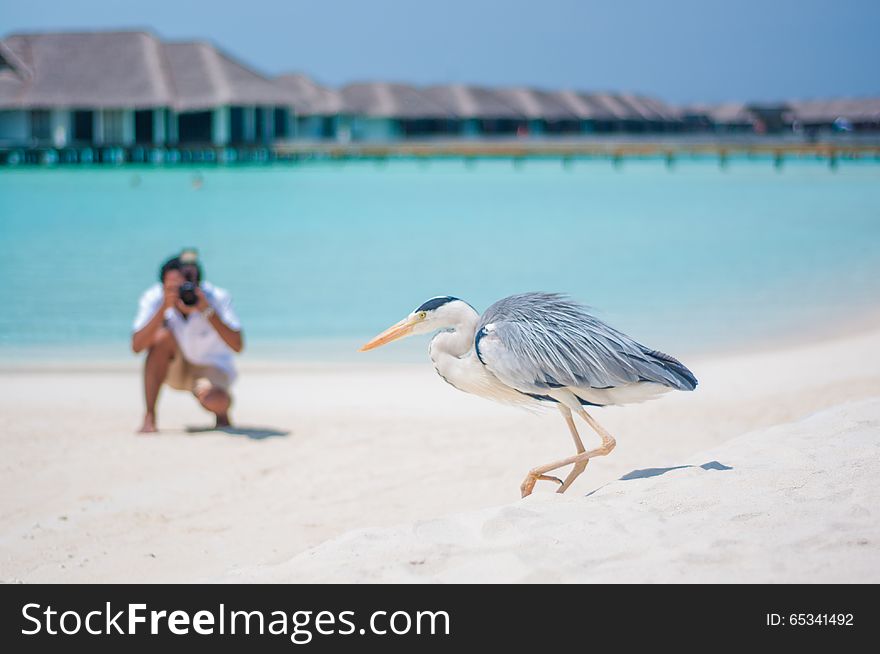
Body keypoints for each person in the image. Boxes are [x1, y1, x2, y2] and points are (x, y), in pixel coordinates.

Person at [131, 249, 244, 433]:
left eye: (185, 286)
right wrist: (163, 309)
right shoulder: (156, 298)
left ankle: (221, 414)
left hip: (210, 367)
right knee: (161, 337)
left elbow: (238, 345)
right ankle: (149, 416)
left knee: (217, 401)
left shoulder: (216, 297)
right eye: (174, 286)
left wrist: (206, 310)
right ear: (164, 285)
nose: (181, 291)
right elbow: (136, 347)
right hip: (175, 366)